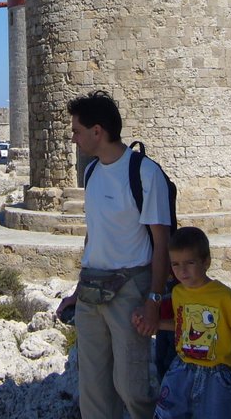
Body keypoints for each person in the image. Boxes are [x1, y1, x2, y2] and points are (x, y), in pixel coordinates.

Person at [56, 90, 171, 419]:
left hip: (131, 291)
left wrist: (153, 300)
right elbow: (94, 236)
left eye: (77, 131)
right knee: (93, 388)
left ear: (97, 131)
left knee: (132, 386)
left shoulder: (145, 174)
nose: (74, 139)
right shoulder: (91, 173)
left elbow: (161, 243)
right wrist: (77, 293)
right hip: (92, 290)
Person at [133, 227, 231, 418]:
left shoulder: (224, 297)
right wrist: (155, 324)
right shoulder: (178, 293)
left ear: (206, 262)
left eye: (189, 263)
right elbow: (183, 326)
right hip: (182, 369)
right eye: (175, 264)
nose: (182, 271)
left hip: (215, 376)